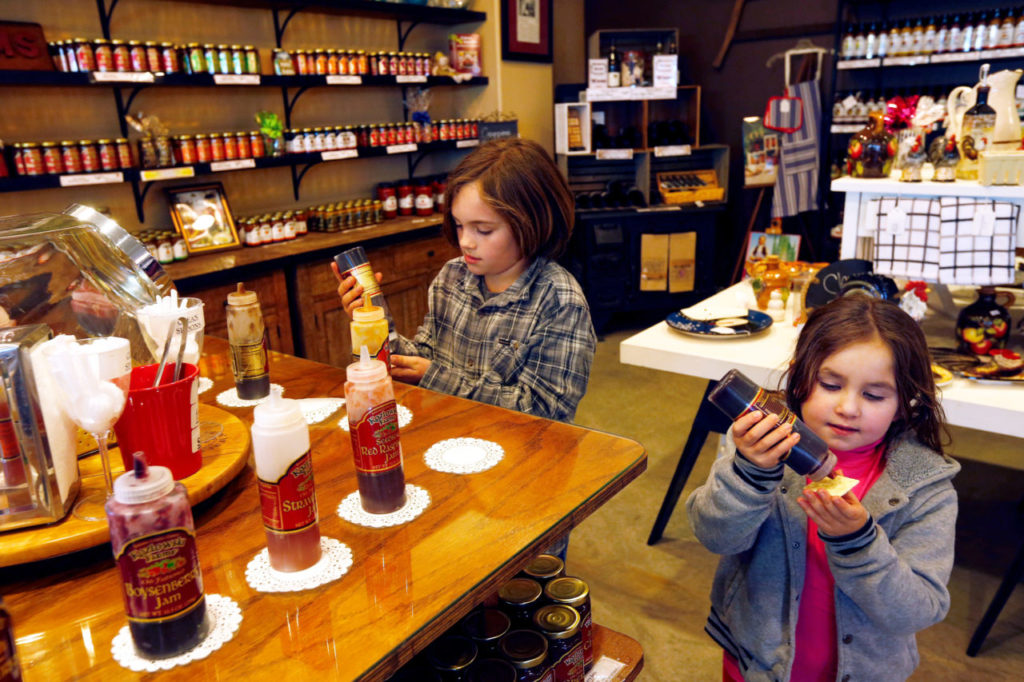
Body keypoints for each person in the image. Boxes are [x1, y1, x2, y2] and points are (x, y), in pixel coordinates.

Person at [686, 294, 959, 682]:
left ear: (904, 402)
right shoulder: (757, 445)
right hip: (755, 662)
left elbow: (917, 610)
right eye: (830, 385)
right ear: (800, 377)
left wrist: (858, 542)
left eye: (874, 395)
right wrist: (750, 473)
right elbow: (717, 536)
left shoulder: (925, 488)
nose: (849, 407)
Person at [332, 137, 596, 423]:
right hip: (449, 437)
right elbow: (422, 358)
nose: (466, 242)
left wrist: (435, 377)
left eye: (483, 230)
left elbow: (544, 412)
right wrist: (374, 322)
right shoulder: (452, 276)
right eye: (459, 225)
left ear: (531, 223)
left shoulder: (559, 301)